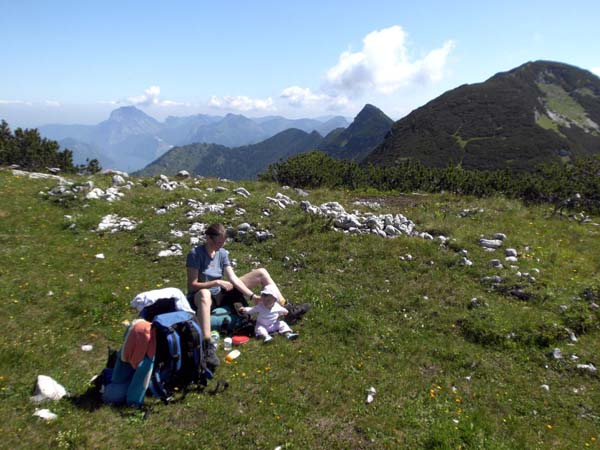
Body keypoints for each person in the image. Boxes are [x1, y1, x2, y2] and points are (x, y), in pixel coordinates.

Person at [186, 223, 308, 367]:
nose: (221, 245)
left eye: (223, 242)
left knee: (261, 272)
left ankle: (286, 308)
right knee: (205, 294)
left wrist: (252, 297)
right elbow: (192, 285)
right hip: (201, 296)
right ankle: (206, 346)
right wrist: (216, 282)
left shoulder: (222, 253)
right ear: (209, 238)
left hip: (221, 293)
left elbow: (233, 279)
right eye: (218, 242)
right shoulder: (195, 254)